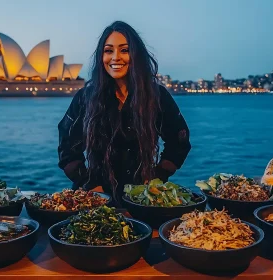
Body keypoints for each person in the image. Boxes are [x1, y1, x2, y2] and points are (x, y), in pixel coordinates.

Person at [57, 21, 191, 204]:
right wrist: (89, 183)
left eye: (125, 50)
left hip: (142, 198)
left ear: (136, 54)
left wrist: (156, 176)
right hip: (95, 197)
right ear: (101, 56)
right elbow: (67, 147)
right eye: (108, 50)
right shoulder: (86, 97)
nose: (115, 57)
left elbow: (179, 141)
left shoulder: (156, 96)